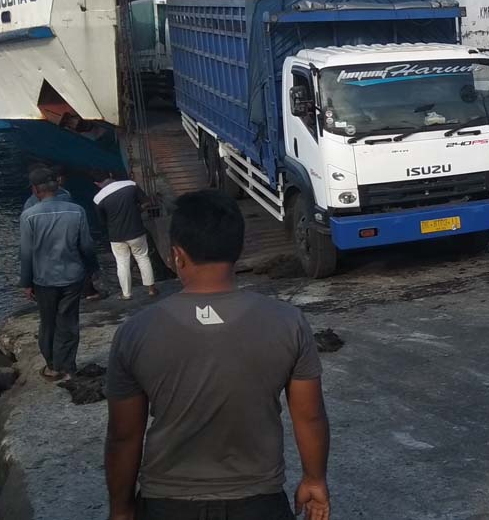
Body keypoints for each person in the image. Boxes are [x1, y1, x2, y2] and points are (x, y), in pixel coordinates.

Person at [105, 190, 331, 520]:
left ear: (177, 255)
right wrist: (314, 480)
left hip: (167, 503)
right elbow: (309, 416)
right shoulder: (288, 322)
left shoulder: (135, 332)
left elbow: (124, 435)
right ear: (238, 250)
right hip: (260, 501)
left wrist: (121, 509)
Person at [19, 167, 98, 381]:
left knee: (48, 322)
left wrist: (26, 282)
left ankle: (53, 366)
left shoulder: (28, 216)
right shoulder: (77, 211)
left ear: (35, 190)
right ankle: (69, 366)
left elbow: (26, 253)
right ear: (57, 185)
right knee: (69, 321)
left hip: (43, 279)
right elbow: (87, 246)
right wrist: (92, 269)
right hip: (73, 276)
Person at [92, 171, 158, 299]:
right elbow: (146, 202)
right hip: (136, 231)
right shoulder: (131, 185)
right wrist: (137, 210)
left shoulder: (98, 198)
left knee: (122, 263)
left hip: (116, 236)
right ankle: (151, 289)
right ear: (111, 175)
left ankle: (126, 294)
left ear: (97, 184)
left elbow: (102, 221)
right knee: (143, 258)